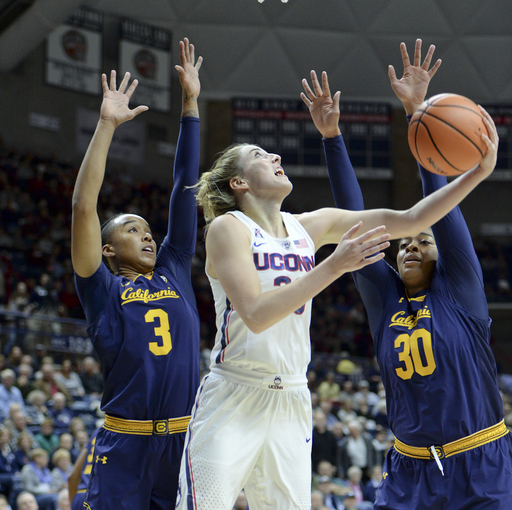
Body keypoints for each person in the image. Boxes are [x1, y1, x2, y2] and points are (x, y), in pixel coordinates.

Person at [176, 76, 502, 509]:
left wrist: (479, 172)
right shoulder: (228, 228)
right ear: (239, 184)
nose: (275, 155)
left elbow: (408, 217)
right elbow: (254, 313)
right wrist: (334, 264)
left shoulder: (310, 224)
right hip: (236, 388)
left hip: (292, 395)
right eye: (259, 154)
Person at [301, 39, 512, 509]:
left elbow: (439, 216)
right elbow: (350, 226)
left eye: (422, 241)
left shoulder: (461, 293)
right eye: (404, 243)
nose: (412, 244)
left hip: (480, 464)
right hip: (407, 471)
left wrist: (417, 113)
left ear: (442, 258)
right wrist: (332, 139)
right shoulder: (385, 301)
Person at [71, 38, 202, 509]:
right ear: (107, 249)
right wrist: (106, 125)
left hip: (185, 443)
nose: (147, 236)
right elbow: (84, 207)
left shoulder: (173, 270)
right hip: (125, 444)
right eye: (132, 229)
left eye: (148, 230)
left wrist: (191, 105)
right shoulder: (101, 288)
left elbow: (187, 189)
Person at [67, 429, 98, 510]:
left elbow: (72, 477)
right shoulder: (118, 428)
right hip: (99, 497)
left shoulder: (97, 432)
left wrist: (74, 504)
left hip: (80, 496)